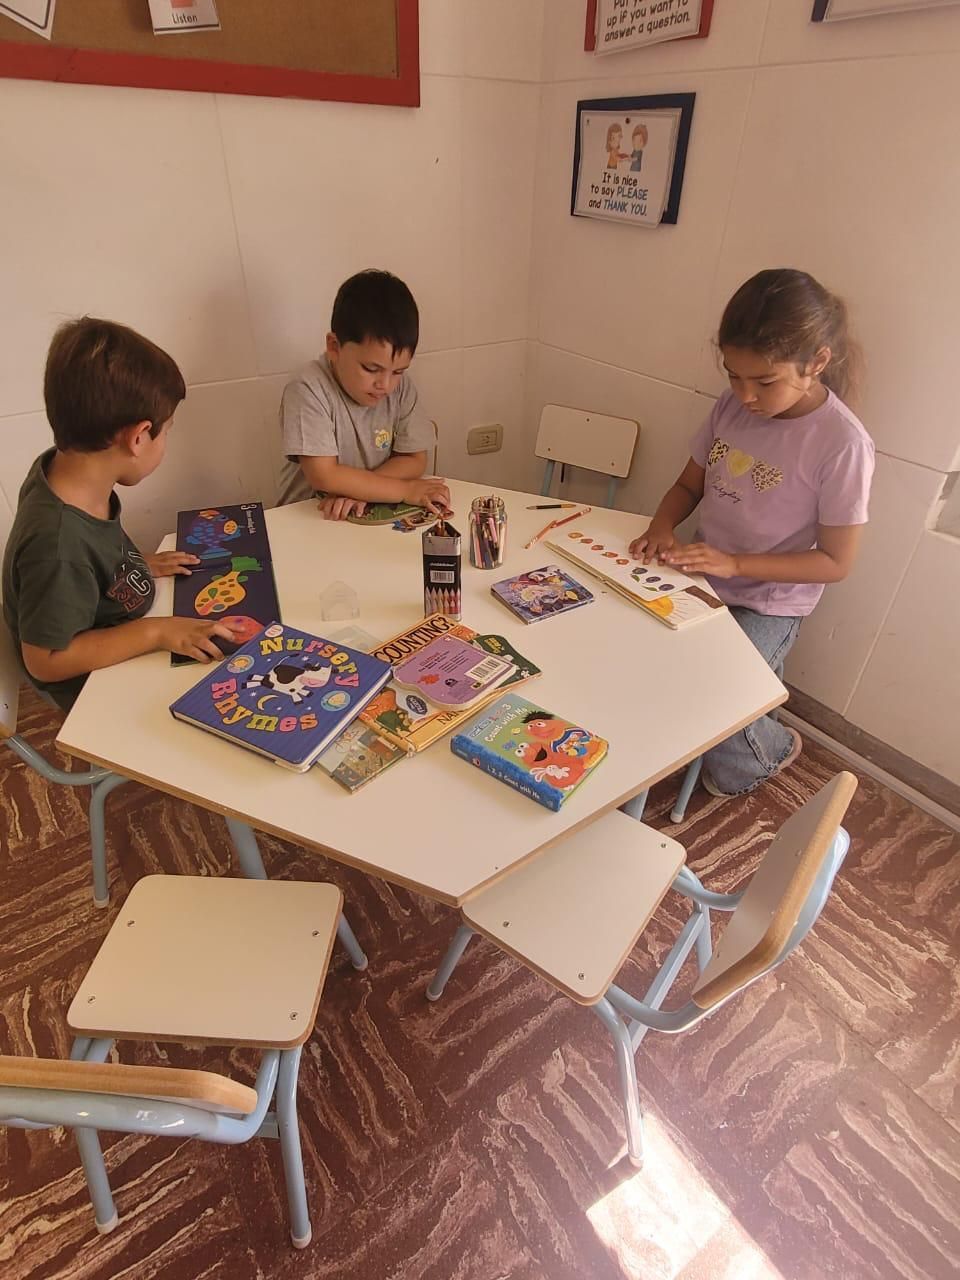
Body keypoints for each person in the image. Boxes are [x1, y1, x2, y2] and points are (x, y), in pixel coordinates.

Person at [630, 268, 875, 797]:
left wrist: (736, 565)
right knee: (640, 653)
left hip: (769, 600)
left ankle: (774, 749)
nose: (745, 396)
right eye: (732, 376)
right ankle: (726, 721)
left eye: (764, 381)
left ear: (817, 364)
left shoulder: (842, 443)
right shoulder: (731, 406)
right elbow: (687, 484)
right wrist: (661, 525)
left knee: (723, 712)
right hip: (704, 578)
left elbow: (836, 562)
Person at [2, 317, 242, 711]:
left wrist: (132, 565)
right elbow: (45, 661)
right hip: (94, 691)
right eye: (166, 431)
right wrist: (155, 633)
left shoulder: (67, 472)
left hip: (117, 630)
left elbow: (87, 561)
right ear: (138, 437)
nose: (165, 441)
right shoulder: (57, 542)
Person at [277, 269, 450, 519]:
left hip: (364, 517)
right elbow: (325, 475)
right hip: (311, 521)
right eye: (371, 369)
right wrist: (403, 489)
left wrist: (363, 491)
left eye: (398, 371)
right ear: (334, 347)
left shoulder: (400, 388)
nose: (386, 385)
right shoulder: (307, 388)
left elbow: (414, 459)